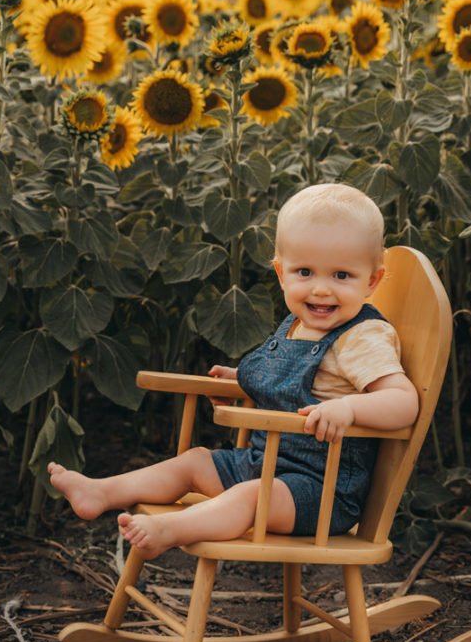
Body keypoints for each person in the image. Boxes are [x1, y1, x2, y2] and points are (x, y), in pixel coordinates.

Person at [48, 184, 419, 558]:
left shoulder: (362, 337)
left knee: (248, 497)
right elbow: (291, 382)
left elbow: (404, 402)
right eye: (304, 272)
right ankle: (101, 492)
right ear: (281, 273)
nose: (321, 289)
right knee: (195, 462)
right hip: (263, 464)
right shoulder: (297, 324)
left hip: (320, 493)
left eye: (341, 275)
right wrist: (245, 382)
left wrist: (350, 409)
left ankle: (169, 530)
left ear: (371, 281)